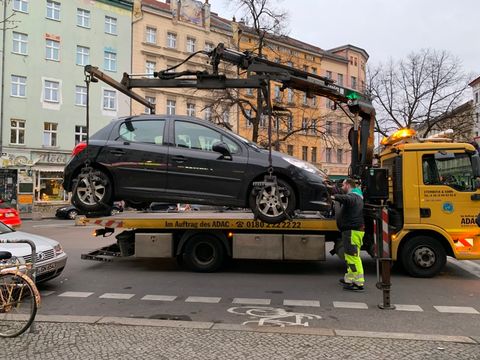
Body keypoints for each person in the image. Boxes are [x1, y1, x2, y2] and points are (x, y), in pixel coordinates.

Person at [331, 178, 365, 291]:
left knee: (353, 257)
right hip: (352, 231)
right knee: (350, 256)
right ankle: (350, 278)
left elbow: (346, 199)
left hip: (352, 231)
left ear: (348, 185)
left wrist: (334, 196)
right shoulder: (357, 196)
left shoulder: (353, 196)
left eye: (343, 185)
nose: (342, 187)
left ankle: (358, 282)